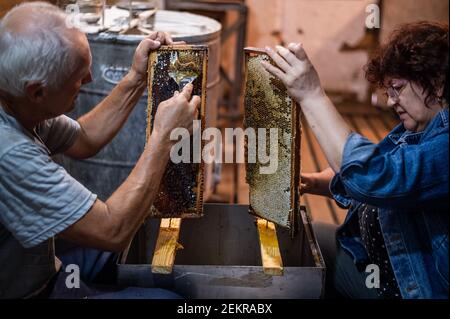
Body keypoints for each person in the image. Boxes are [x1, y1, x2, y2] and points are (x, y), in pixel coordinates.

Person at [0, 2, 199, 298]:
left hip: (45, 264)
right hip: (30, 292)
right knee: (171, 298)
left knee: (181, 279)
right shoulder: (11, 153)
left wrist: (136, 78)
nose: (90, 80)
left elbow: (84, 138)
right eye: (79, 77)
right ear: (37, 91)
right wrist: (164, 137)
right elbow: (113, 231)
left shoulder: (18, 102)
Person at [262, 21, 449, 299]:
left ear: (435, 81)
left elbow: (376, 177)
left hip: (404, 288)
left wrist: (312, 95)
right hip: (370, 256)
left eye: (397, 88)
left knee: (299, 267)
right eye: (389, 91)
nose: (391, 101)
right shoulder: (418, 130)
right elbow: (379, 164)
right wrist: (312, 182)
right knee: (295, 237)